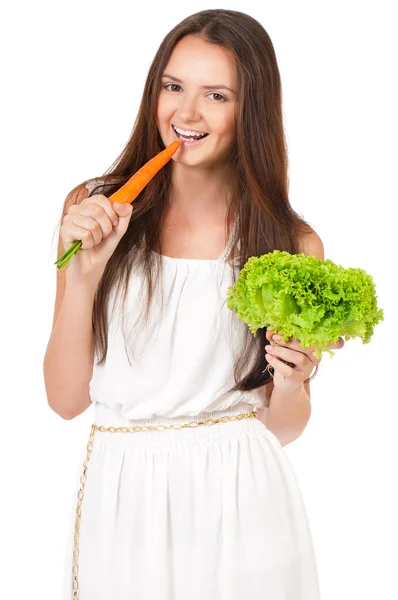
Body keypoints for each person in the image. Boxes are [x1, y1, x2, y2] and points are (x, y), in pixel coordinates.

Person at [44, 9, 345, 600]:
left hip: (245, 499)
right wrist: (83, 275)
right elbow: (63, 400)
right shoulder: (94, 209)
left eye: (216, 95)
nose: (186, 113)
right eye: (173, 86)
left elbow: (283, 428)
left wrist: (293, 379)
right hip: (124, 497)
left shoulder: (290, 243)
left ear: (250, 110)